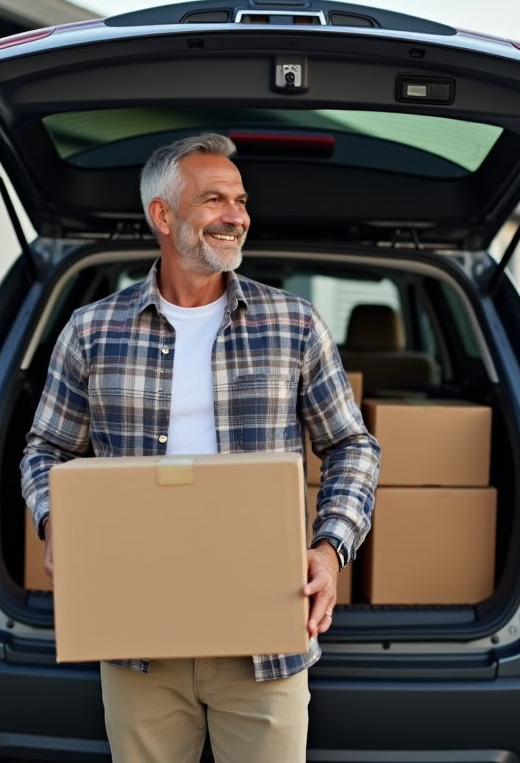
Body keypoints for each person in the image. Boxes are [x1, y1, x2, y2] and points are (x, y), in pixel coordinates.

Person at [20, 132, 379, 762]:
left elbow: (351, 445)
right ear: (163, 215)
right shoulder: (92, 330)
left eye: (240, 200)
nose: (237, 215)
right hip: (137, 636)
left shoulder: (292, 323)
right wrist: (59, 524)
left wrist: (329, 548)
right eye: (215, 199)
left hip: (266, 637)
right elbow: (45, 449)